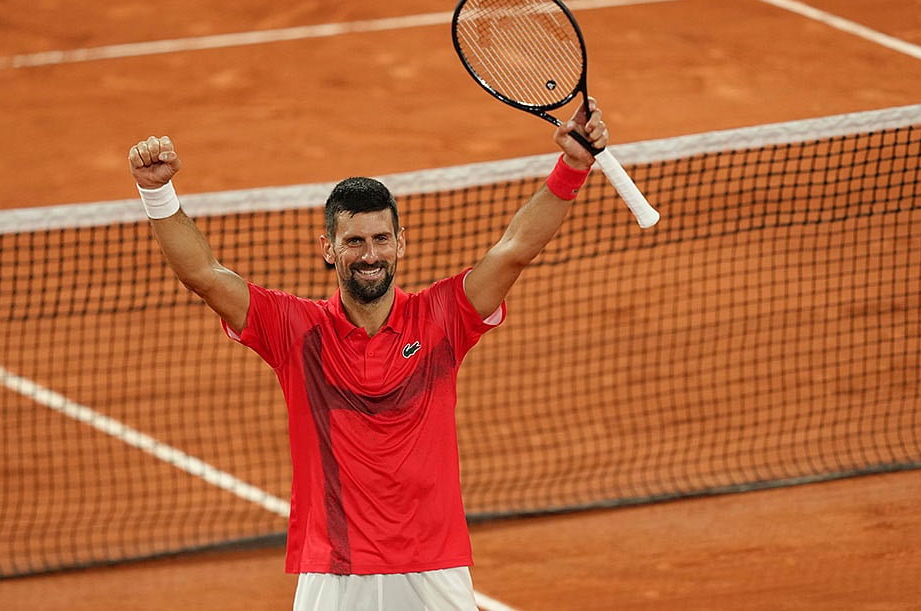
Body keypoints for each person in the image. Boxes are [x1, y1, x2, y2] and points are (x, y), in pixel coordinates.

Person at [127, 99, 609, 610]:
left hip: (434, 565)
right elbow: (204, 275)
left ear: (401, 243)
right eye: (354, 241)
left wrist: (573, 166)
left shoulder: (442, 317)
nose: (370, 254)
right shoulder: (296, 331)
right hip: (334, 572)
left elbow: (514, 249)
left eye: (381, 239)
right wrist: (157, 192)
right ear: (328, 248)